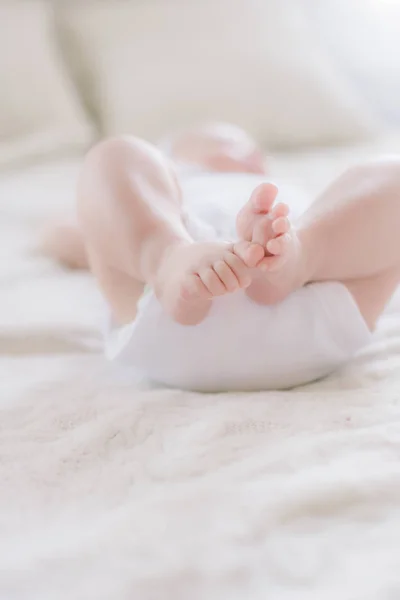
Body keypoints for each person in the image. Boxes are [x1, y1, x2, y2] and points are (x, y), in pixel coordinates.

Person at [43, 123, 400, 391]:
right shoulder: (162, 194)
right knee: (115, 155)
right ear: (173, 164)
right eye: (221, 142)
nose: (243, 154)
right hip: (168, 296)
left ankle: (300, 255)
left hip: (308, 288)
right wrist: (107, 230)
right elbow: (80, 234)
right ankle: (165, 258)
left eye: (247, 147)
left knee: (384, 188)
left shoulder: (287, 197)